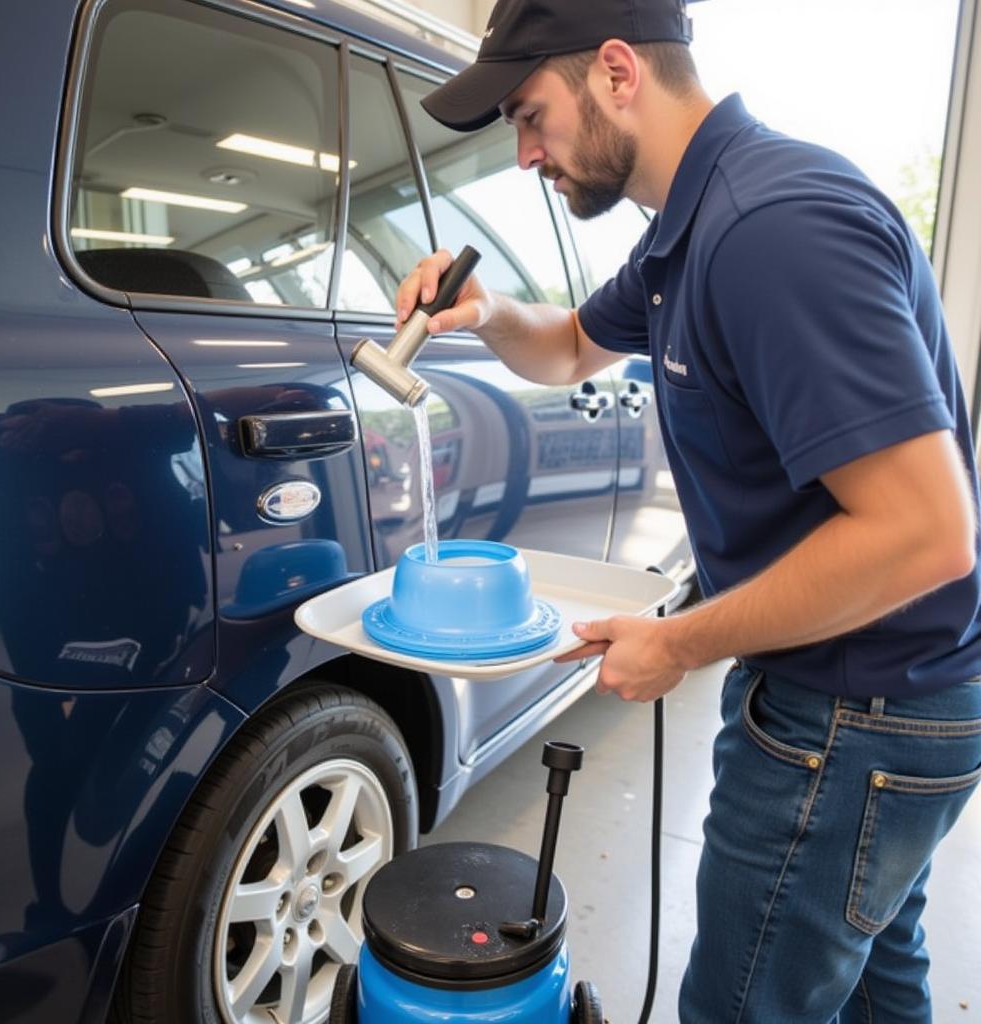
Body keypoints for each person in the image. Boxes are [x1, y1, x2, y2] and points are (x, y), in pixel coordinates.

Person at [397, 0, 981, 1020]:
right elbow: (570, 345)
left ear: (617, 72)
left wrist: (681, 640)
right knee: (878, 986)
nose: (526, 153)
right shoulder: (693, 228)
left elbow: (924, 531)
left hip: (858, 715)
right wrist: (482, 310)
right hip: (887, 702)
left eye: (531, 115)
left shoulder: (770, 230)